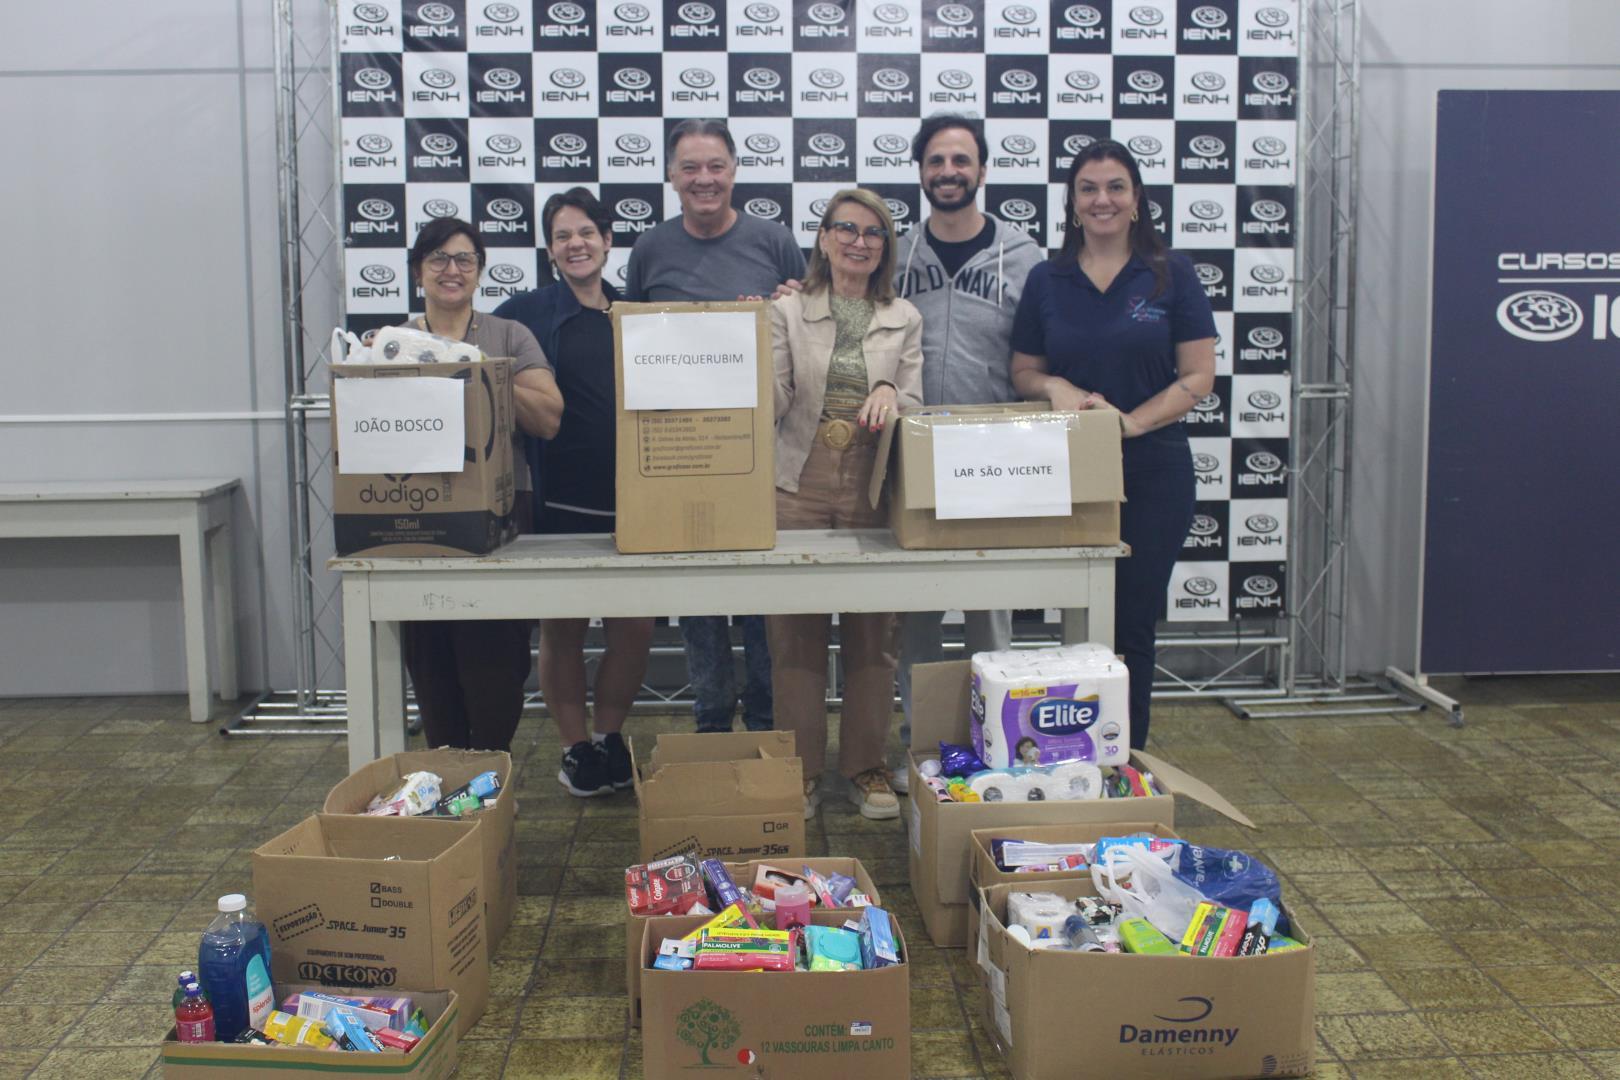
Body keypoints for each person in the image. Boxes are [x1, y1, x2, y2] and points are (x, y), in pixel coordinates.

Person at [1010, 141, 1217, 750]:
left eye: (1115, 187)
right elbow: (1023, 371)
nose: (1102, 200)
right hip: (1065, 470)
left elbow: (1198, 377)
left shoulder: (1169, 272)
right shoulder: (1049, 277)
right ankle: (1066, 751)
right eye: (1089, 189)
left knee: (1130, 626)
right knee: (1075, 621)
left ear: (1135, 201)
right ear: (1072, 204)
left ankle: (1124, 760)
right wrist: (1055, 385)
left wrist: (1128, 424)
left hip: (1154, 469)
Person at [623, 119, 806, 735]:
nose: (704, 179)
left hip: (755, 450)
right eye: (690, 167)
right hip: (677, 451)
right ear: (671, 176)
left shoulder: (775, 242)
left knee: (759, 600)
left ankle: (765, 723)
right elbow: (632, 346)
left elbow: (800, 330)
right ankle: (709, 724)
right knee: (698, 599)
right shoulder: (650, 249)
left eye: (716, 166)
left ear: (734, 170)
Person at [890, 113, 1045, 789]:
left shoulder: (1025, 255)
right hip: (912, 449)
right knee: (915, 607)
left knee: (992, 608)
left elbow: (1041, 354)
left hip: (996, 453)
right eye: (935, 161)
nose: (947, 172)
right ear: (921, 171)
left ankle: (1001, 742)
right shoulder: (893, 252)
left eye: (961, 160)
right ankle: (920, 742)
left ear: (981, 171)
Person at [495, 188, 654, 797]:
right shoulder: (524, 313)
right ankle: (574, 749)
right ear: (549, 248)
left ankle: (609, 737)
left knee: (634, 630)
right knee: (561, 630)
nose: (576, 244)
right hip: (557, 499)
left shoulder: (636, 312)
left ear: (608, 240)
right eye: (562, 235)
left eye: (586, 232)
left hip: (636, 503)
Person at [768, 188, 923, 820]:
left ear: (885, 247)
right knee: (794, 637)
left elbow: (914, 402)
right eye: (846, 229)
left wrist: (889, 387)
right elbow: (773, 401)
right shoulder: (787, 311)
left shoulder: (905, 316)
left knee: (872, 637)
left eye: (873, 233)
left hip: (869, 485)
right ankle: (800, 774)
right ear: (825, 238)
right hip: (795, 483)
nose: (859, 242)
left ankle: (866, 768)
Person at [396, 217, 565, 752]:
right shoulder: (392, 344)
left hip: (500, 513)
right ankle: (449, 783)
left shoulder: (508, 336)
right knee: (431, 657)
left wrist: (479, 373)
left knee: (494, 658)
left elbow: (549, 417)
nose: (452, 270)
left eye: (465, 259)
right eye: (439, 259)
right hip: (416, 515)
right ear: (419, 272)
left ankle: (489, 776)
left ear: (479, 271)